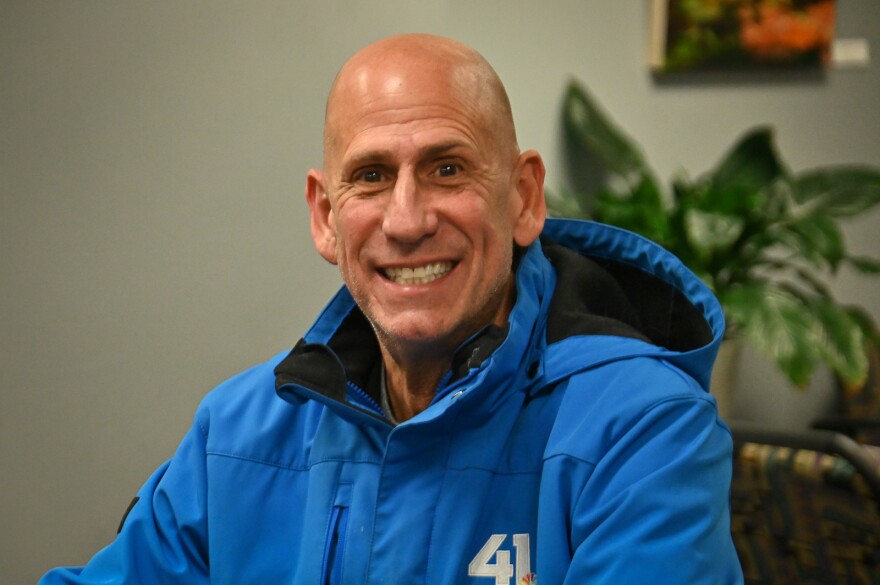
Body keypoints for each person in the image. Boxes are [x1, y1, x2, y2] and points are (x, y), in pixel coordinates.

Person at [40, 33, 743, 584]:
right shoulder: (235, 434)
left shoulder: (646, 431)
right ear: (325, 216)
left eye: (447, 168)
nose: (406, 220)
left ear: (524, 198)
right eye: (372, 176)